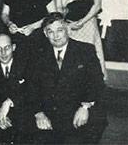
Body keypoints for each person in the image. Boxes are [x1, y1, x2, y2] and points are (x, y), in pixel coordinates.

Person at [28, 12, 107, 144]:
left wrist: (85, 107)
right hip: (50, 114)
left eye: (60, 30)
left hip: (79, 111)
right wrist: (38, 113)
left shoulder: (85, 50)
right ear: (45, 33)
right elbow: (31, 87)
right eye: (50, 31)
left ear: (67, 30)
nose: (55, 36)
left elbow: (97, 82)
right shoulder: (38, 55)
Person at [0, 33, 33, 144]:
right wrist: (0, 116)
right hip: (1, 118)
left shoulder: (26, 65)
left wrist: (9, 102)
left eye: (7, 48)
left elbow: (31, 92)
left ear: (13, 47)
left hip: (23, 115)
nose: (3, 53)